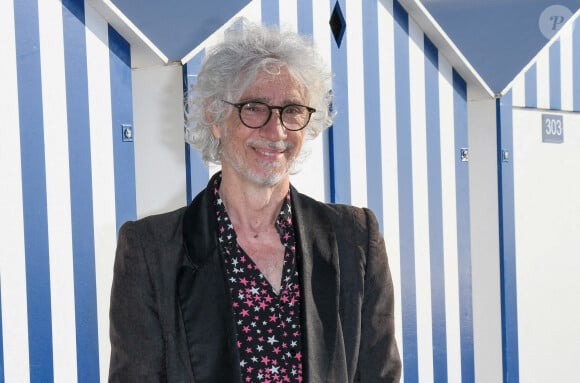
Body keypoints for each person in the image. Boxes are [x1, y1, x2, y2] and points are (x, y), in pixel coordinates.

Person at [109, 20, 401, 383]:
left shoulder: (355, 238)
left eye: (292, 109)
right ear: (215, 118)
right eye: (254, 107)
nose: (276, 131)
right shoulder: (152, 248)